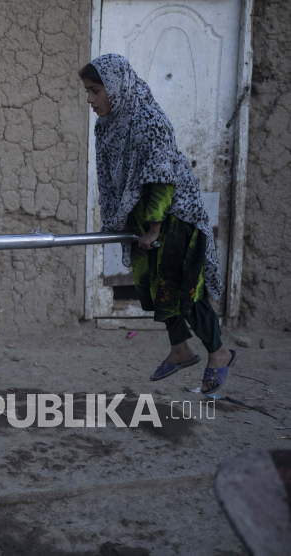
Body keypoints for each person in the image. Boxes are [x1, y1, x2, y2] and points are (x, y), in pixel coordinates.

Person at [80, 54, 235, 395]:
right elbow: (112, 177)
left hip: (174, 217)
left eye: (95, 91)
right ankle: (180, 349)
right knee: (153, 287)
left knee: (184, 293)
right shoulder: (108, 125)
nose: (90, 100)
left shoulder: (149, 120)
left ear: (116, 89)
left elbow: (162, 179)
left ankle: (219, 353)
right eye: (88, 91)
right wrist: (119, 220)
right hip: (142, 218)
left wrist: (155, 229)